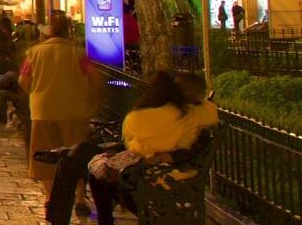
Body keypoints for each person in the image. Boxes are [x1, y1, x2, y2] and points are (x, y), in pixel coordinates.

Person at [43, 71, 217, 225]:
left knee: (82, 162)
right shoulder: (195, 114)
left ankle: (63, 155)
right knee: (82, 154)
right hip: (144, 165)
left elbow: (138, 146)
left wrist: (161, 156)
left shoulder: (169, 116)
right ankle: (65, 152)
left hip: (142, 172)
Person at [22, 13, 104, 199]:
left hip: (42, 110)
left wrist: (36, 93)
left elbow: (23, 80)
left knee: (44, 157)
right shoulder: (78, 53)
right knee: (77, 156)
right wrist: (90, 96)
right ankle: (81, 196)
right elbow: (96, 78)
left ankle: (51, 198)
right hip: (73, 111)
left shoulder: (34, 53)